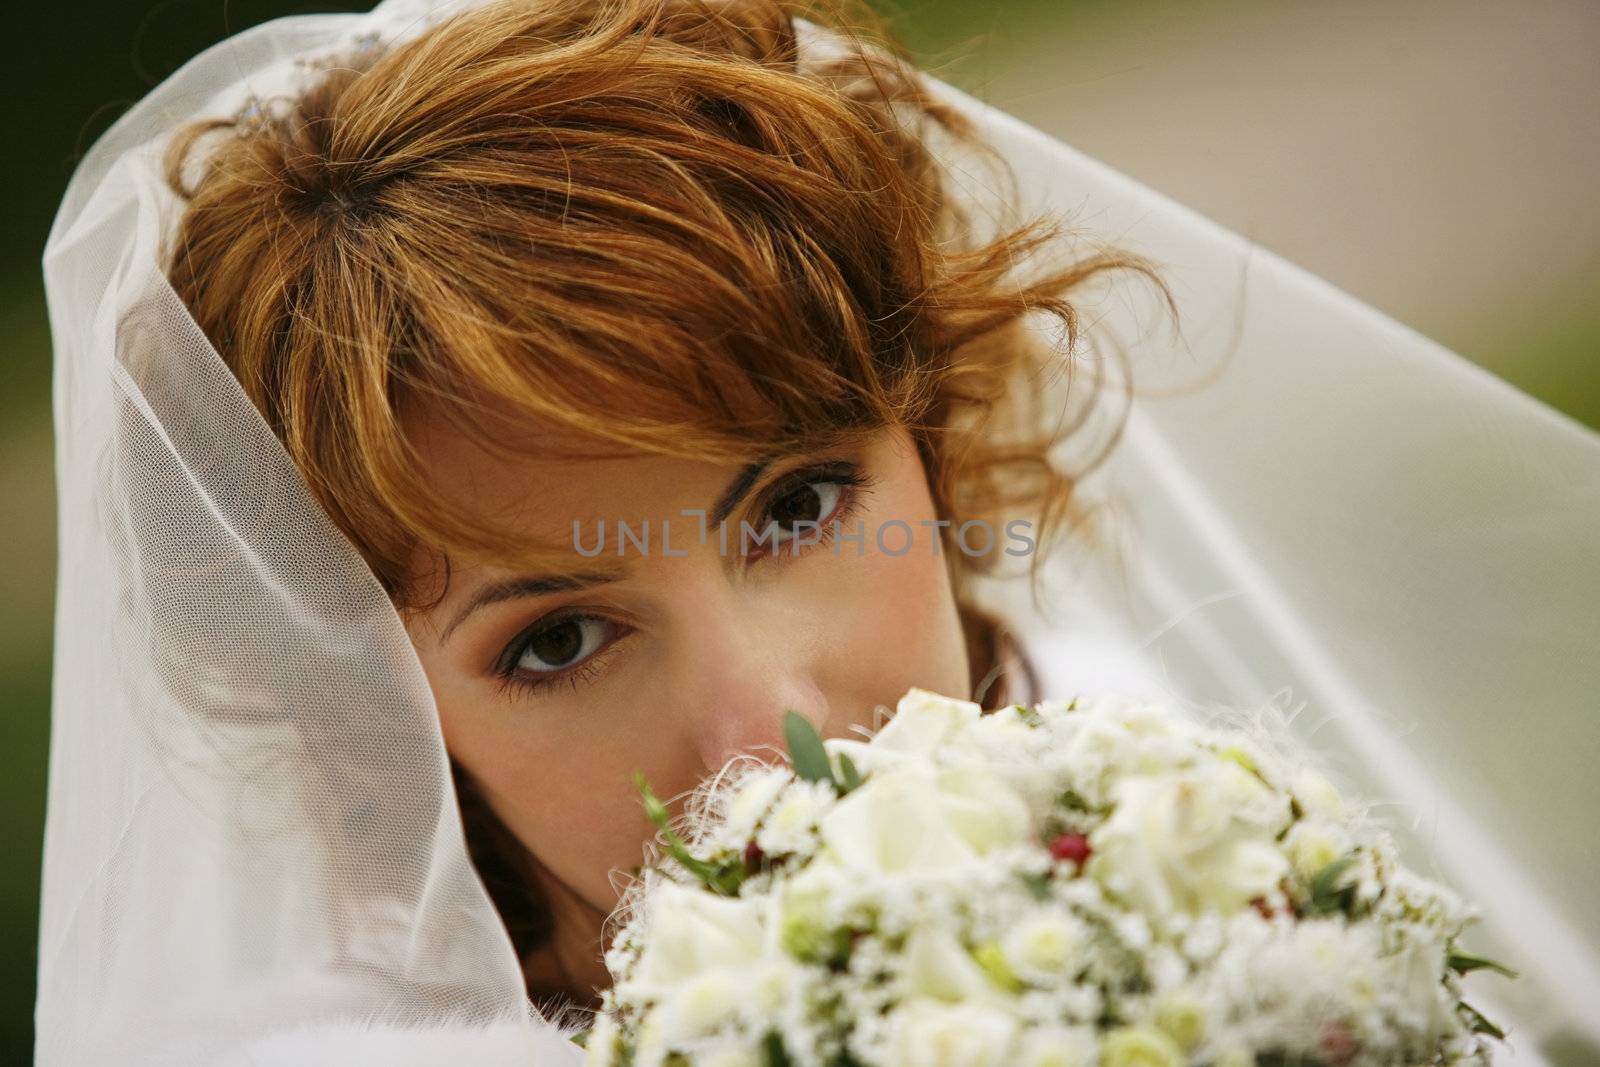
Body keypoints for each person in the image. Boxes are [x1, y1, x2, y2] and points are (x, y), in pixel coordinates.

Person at [38, 0, 1600, 1063]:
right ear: (380, 717)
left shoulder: (1207, 856)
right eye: (558, 638)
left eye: (795, 507)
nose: (774, 731)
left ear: (928, 441)